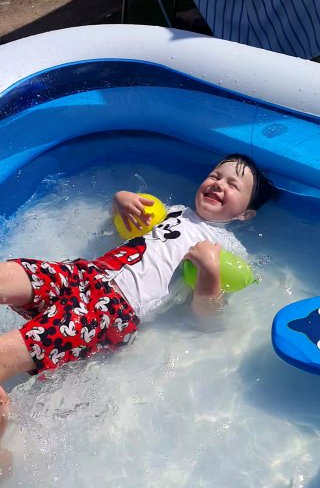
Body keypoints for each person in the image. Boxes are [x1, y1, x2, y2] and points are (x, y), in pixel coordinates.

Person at [0, 153, 274, 421]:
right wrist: (120, 202)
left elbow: (207, 317)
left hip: (112, 310)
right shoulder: (175, 211)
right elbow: (123, 226)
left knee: (6, 353)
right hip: (85, 273)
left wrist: (210, 271)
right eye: (215, 176)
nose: (218, 183)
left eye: (232, 184)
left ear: (246, 214)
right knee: (8, 275)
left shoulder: (227, 249)